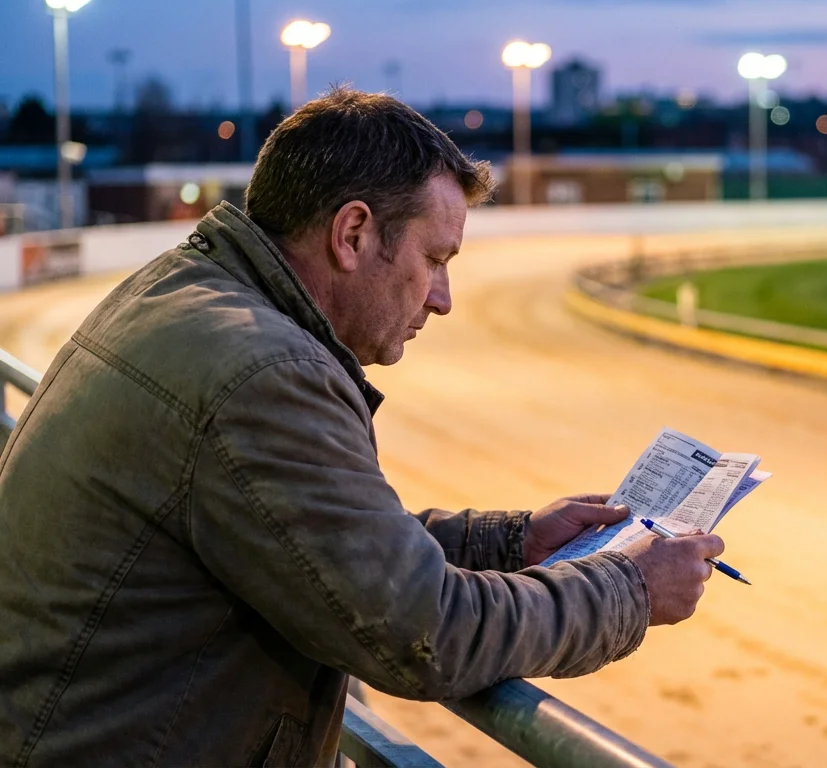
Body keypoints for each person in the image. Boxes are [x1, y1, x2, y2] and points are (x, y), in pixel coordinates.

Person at [0, 88, 724, 767]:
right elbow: (419, 634)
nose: (442, 298)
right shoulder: (262, 372)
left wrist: (512, 541)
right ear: (352, 233)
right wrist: (627, 589)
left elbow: (294, 534)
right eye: (435, 259)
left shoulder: (185, 295)